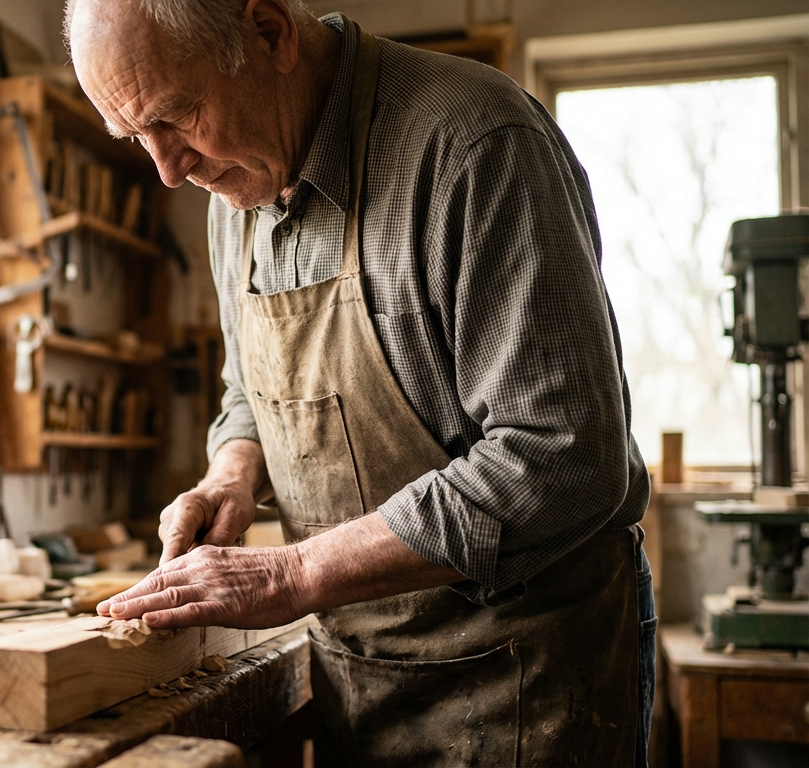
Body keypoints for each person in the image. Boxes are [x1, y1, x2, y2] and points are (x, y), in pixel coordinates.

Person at [64, 1, 658, 765]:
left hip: (527, 678)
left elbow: (563, 458)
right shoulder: (232, 188)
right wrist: (232, 474)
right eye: (133, 137)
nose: (167, 170)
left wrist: (295, 570)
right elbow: (246, 386)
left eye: (177, 116)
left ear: (270, 32)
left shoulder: (475, 143)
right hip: (359, 675)